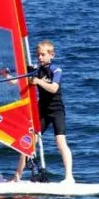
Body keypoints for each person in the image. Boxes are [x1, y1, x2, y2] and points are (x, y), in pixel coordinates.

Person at [14, 40, 75, 184]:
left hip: (57, 110)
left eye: (43, 55)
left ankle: (69, 177)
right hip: (42, 110)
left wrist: (38, 81)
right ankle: (16, 177)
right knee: (29, 142)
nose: (40, 57)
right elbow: (17, 81)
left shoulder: (56, 70)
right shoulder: (35, 70)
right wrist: (7, 76)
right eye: (38, 55)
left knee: (60, 142)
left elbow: (54, 88)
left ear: (51, 55)